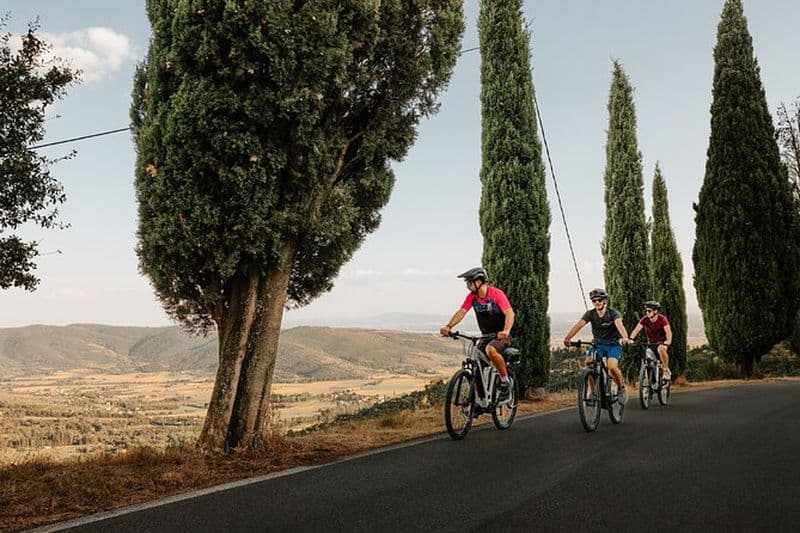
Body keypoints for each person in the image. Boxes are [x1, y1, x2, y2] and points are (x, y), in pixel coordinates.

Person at [440, 267, 515, 399]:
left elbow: (509, 313)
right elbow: (462, 311)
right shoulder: (472, 297)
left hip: (501, 335)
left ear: (479, 282)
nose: (467, 286)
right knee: (477, 365)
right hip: (486, 335)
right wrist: (449, 326)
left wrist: (506, 331)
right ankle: (481, 401)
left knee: (490, 350)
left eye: (469, 282)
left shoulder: (496, 294)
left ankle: (505, 380)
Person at [562, 288, 631, 403]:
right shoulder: (590, 314)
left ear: (605, 301)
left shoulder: (613, 313)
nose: (597, 302)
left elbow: (620, 326)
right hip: (598, 345)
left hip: (613, 345)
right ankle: (593, 392)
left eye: (599, 300)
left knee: (612, 367)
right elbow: (579, 325)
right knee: (589, 363)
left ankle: (621, 387)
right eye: (594, 301)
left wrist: (625, 337)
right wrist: (568, 338)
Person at [628, 300, 673, 381]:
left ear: (655, 311)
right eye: (646, 311)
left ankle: (666, 370)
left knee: (661, 349)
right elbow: (636, 329)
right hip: (651, 343)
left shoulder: (662, 319)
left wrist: (668, 341)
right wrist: (631, 338)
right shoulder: (645, 319)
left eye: (649, 311)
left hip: (662, 342)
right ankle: (649, 381)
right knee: (648, 358)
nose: (647, 313)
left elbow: (668, 332)